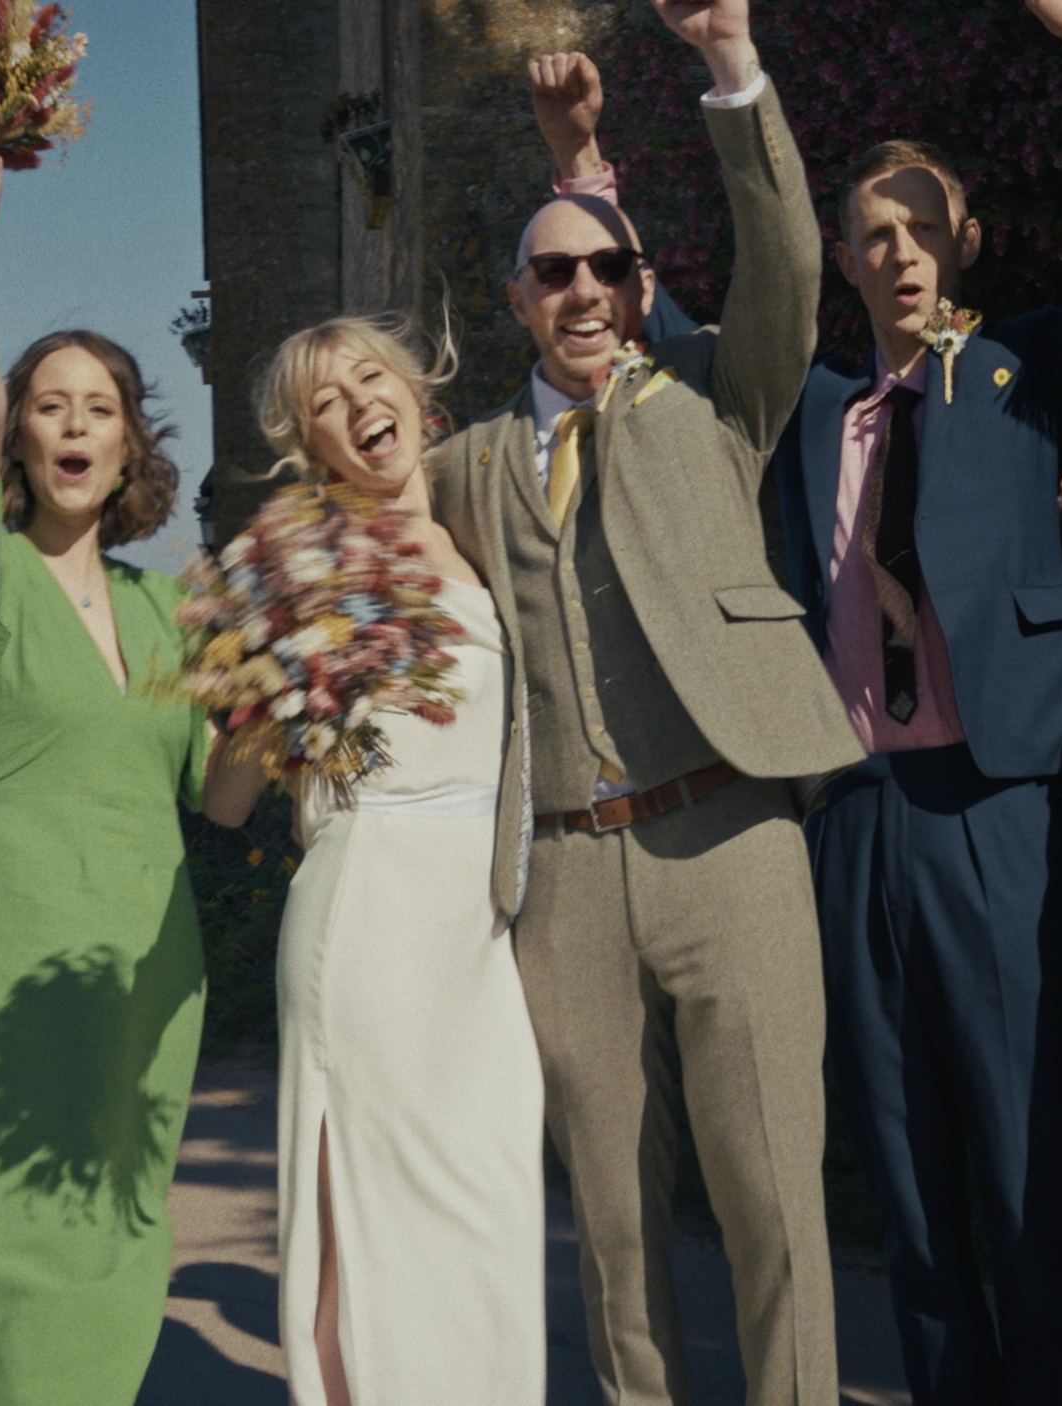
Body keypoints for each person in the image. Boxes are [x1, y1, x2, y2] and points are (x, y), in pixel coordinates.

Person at [535, 2, 1062, 1396]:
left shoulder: (1023, 379)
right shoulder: (809, 408)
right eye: (873, 233)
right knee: (908, 1180)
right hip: (851, 817)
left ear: (964, 243)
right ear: (845, 257)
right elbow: (654, 334)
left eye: (922, 227)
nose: (899, 252)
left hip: (994, 810)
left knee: (1028, 1169)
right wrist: (584, 170)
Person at [429, 3, 865, 1401]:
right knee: (614, 1238)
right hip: (562, 866)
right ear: (517, 298)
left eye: (607, 269)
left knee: (772, 1202)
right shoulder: (463, 468)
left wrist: (729, 66)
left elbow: (787, 259)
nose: (582, 291)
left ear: (639, 285)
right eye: (553, 272)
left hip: (731, 838)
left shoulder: (716, 396)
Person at [202, 314, 545, 1406]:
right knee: (379, 1221)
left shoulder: (478, 526)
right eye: (325, 404)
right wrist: (265, 664)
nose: (357, 408)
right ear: (310, 443)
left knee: (491, 1210)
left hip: (481, 929)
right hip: (370, 910)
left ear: (413, 388)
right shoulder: (303, 562)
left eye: (367, 379)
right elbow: (224, 801)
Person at [0, 136, 210, 1403]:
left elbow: (226, 795)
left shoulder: (169, 611)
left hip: (154, 957)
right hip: (24, 947)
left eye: (100, 406)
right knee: (30, 1230)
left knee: (128, 1222)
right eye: (51, 405)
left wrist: (296, 670)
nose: (74, 422)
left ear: (131, 442)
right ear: (23, 441)